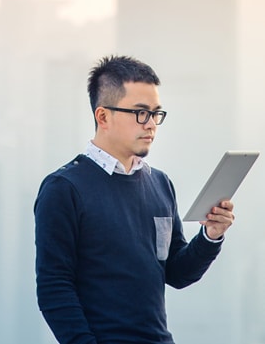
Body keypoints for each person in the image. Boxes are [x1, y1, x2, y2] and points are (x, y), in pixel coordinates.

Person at [34, 55, 235, 344]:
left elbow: (177, 273)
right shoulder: (64, 189)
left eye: (156, 114)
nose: (151, 124)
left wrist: (211, 236)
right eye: (140, 113)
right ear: (103, 117)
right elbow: (54, 289)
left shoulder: (160, 184)